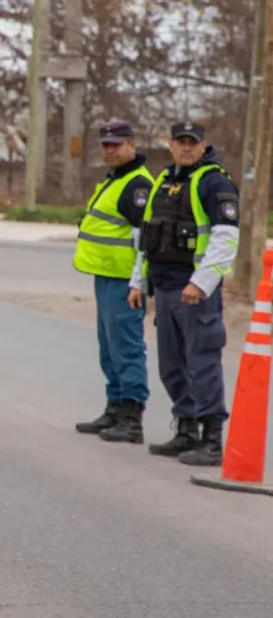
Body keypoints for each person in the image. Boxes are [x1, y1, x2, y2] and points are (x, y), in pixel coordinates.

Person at [129, 121, 240, 466]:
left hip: (194, 291)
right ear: (171, 144)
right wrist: (137, 282)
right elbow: (145, 239)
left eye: (193, 142)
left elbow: (225, 239)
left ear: (204, 145)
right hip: (164, 287)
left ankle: (211, 439)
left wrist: (201, 283)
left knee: (202, 363)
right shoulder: (164, 182)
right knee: (172, 366)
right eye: (181, 142)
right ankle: (186, 429)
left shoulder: (214, 182)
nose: (187, 148)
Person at [74, 120, 154, 443]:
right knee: (109, 348)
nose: (110, 150)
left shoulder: (137, 186)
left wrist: (139, 283)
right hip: (107, 277)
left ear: (132, 145)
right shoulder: (116, 180)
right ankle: (115, 408)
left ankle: (132, 418)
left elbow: (145, 241)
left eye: (117, 145)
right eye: (106, 145)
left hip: (125, 281)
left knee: (127, 348)